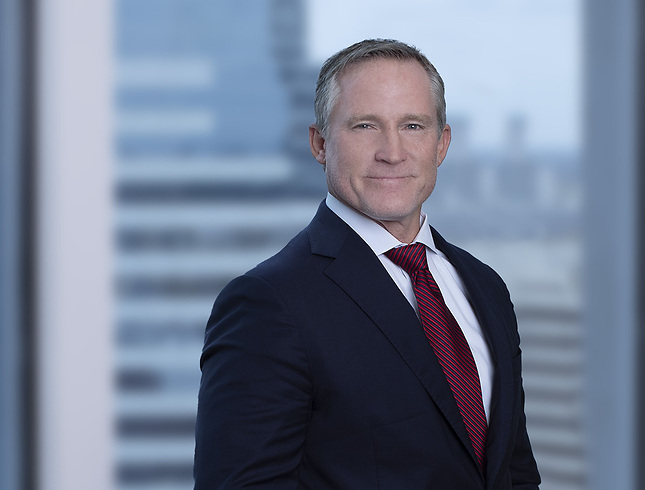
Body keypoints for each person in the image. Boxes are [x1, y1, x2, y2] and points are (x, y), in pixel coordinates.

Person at [194, 39, 541, 489]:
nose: (392, 152)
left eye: (413, 126)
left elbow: (514, 471)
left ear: (442, 144)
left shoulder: (485, 285)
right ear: (320, 143)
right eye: (364, 126)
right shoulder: (268, 304)